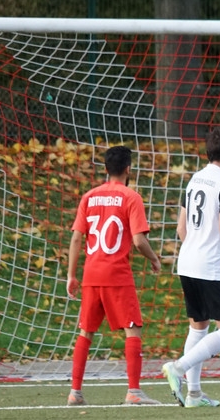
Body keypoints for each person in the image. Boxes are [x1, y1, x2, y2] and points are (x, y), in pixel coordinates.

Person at [66, 145, 163, 406]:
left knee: (86, 331)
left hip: (91, 274)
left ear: (106, 169)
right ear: (128, 169)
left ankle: (75, 392)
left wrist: (71, 275)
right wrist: (154, 259)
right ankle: (134, 391)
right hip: (116, 274)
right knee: (133, 329)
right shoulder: (131, 197)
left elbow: (76, 238)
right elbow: (139, 241)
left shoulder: (89, 197)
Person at [161, 127, 220, 408]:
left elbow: (181, 227)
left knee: (198, 329)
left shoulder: (194, 179)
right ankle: (178, 368)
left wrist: (195, 249)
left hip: (187, 261)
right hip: (209, 265)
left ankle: (194, 394)